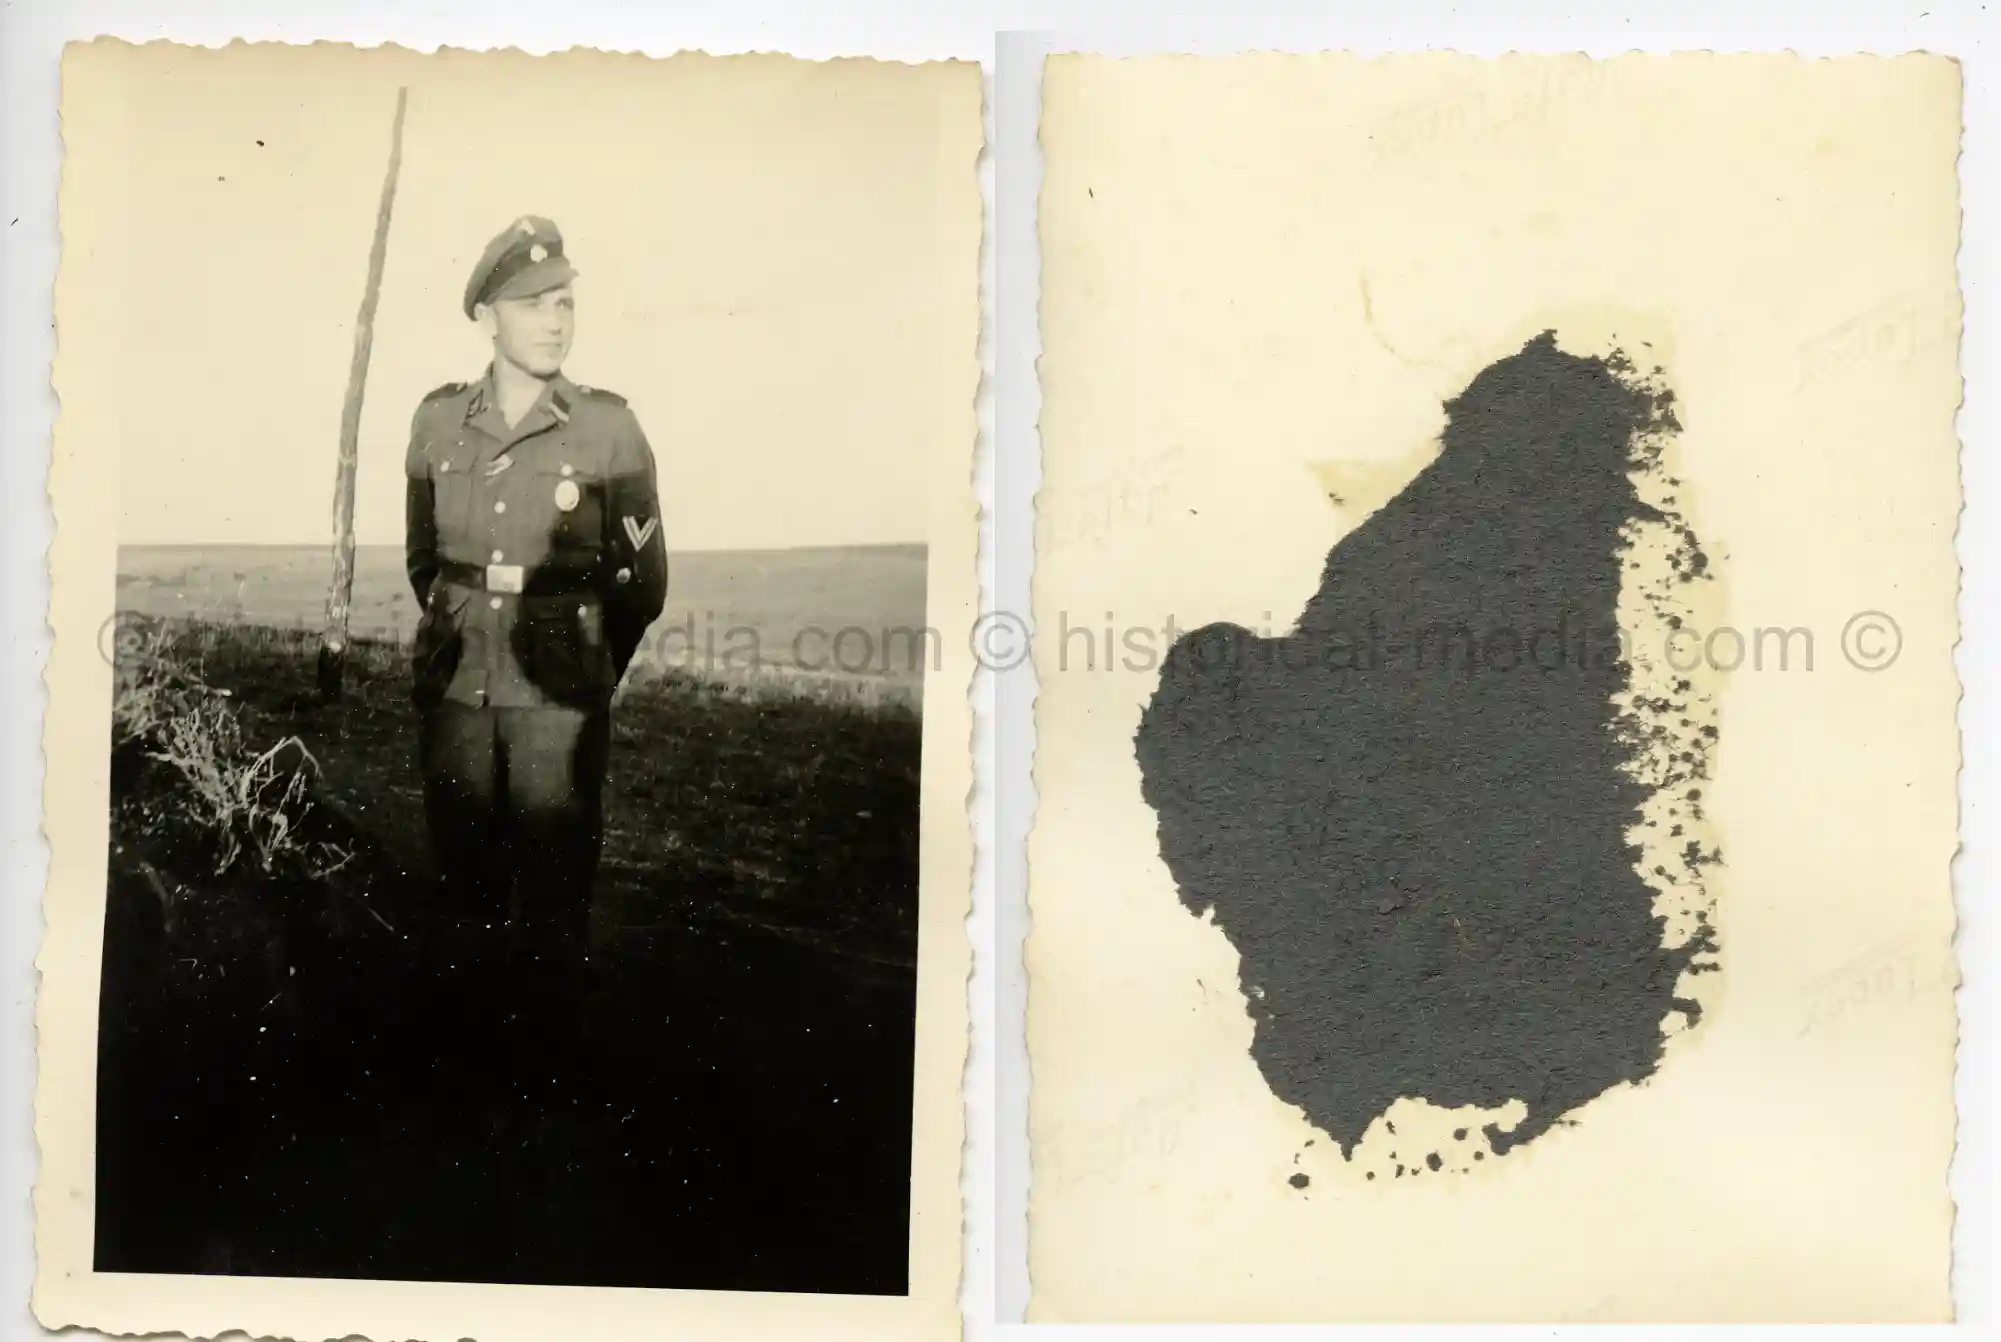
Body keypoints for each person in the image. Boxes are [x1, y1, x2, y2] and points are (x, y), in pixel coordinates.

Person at [402, 215, 668, 996]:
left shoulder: (608, 428)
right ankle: (461, 1063)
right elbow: (427, 562)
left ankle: (545, 1079)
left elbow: (642, 585)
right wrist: (464, 630)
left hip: (560, 696)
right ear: (487, 317)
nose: (556, 321)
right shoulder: (437, 420)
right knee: (461, 878)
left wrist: (582, 670)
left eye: (564, 302)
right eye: (532, 304)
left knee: (553, 890)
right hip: (457, 685)